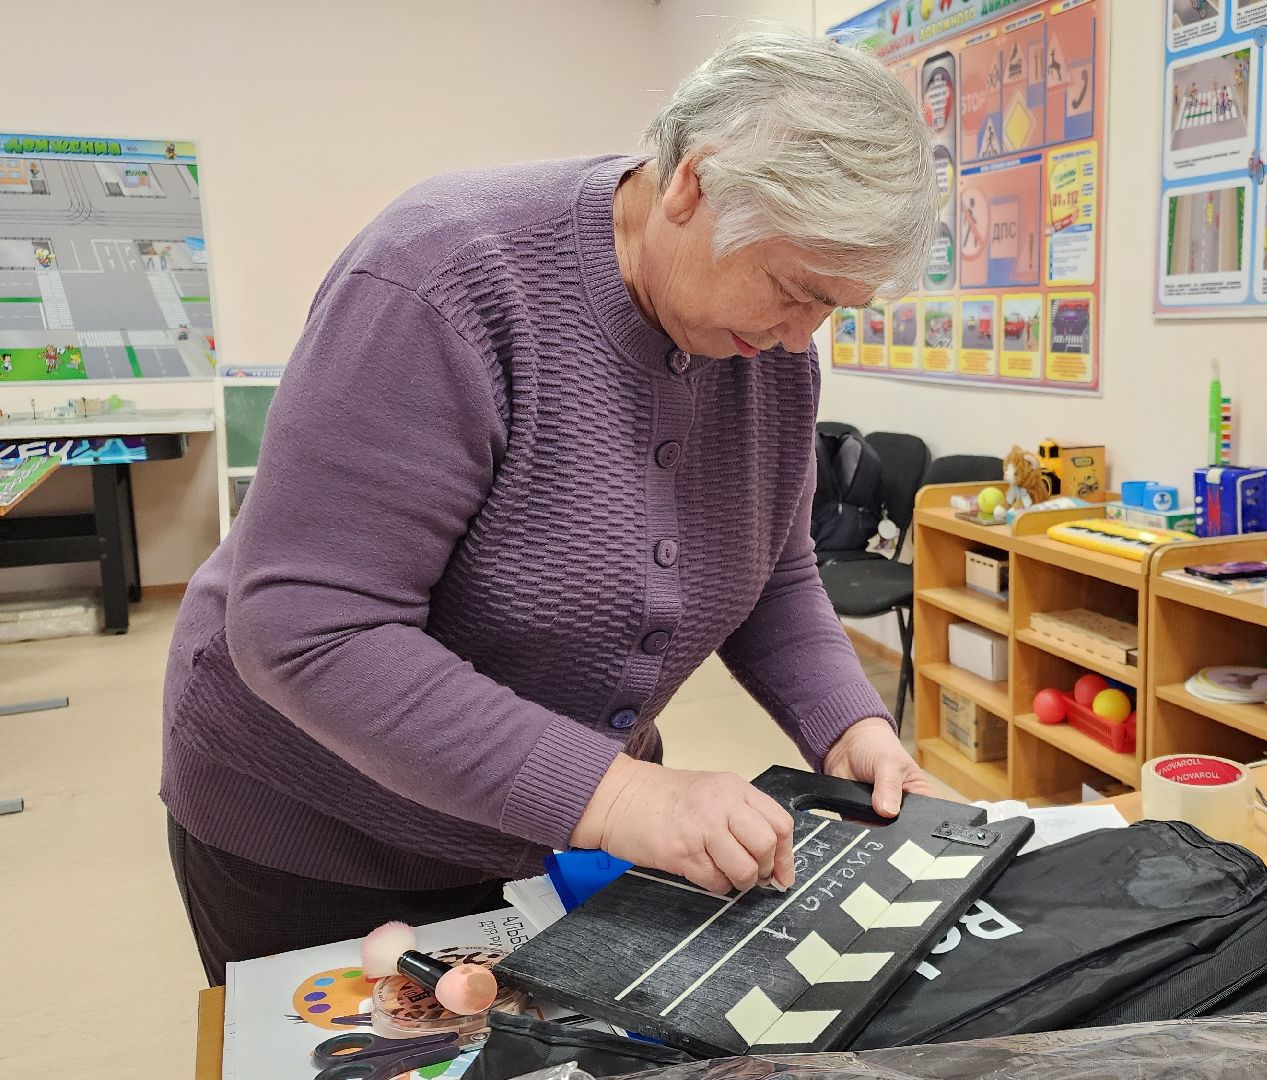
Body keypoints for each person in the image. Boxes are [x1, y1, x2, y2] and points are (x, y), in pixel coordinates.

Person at [161, 27, 940, 984]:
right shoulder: (442, 278)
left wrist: (847, 726)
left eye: (833, 310)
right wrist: (622, 800)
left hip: (548, 823)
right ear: (693, 185)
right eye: (794, 290)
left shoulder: (765, 352)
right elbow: (311, 627)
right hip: (318, 824)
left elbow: (772, 571)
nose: (799, 337)